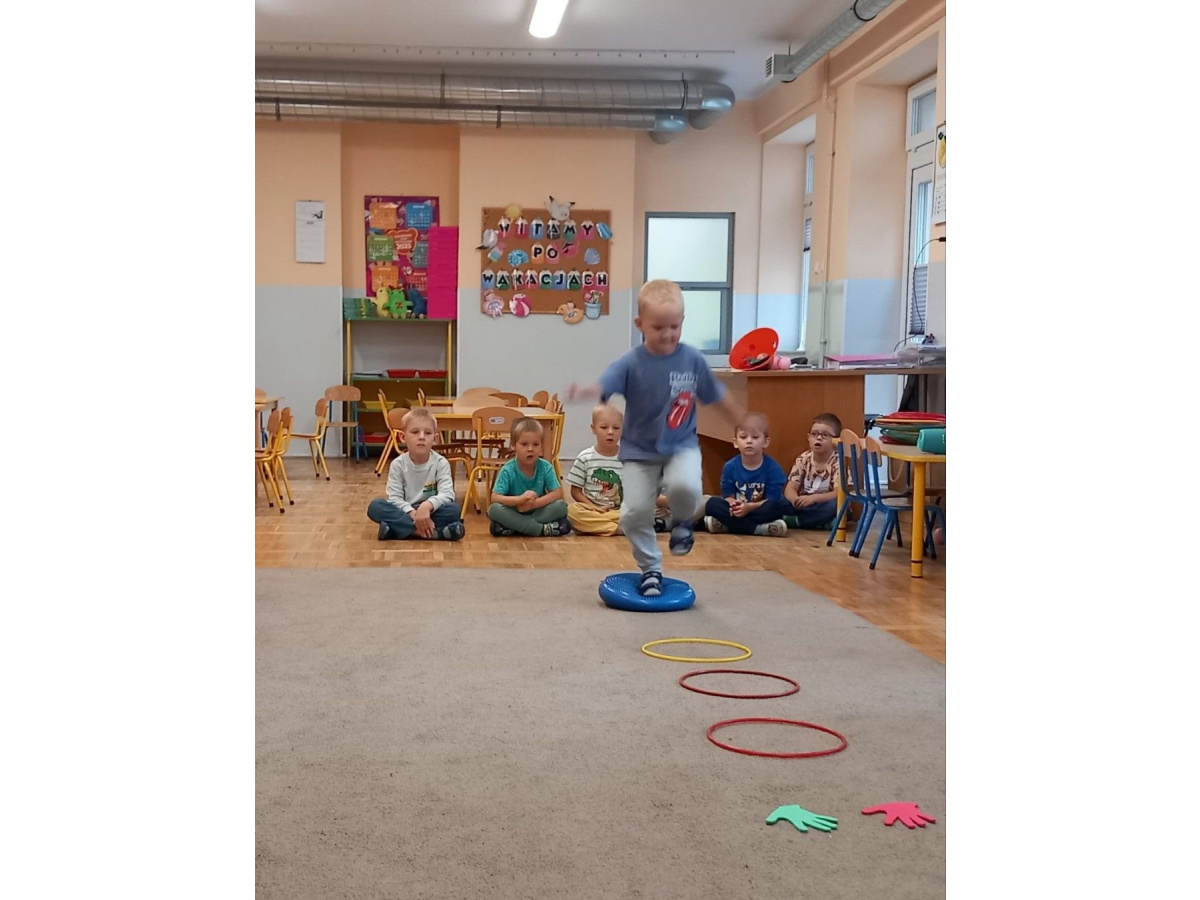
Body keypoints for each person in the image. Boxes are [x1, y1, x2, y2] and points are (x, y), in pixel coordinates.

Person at [567, 279, 742, 596]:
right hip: (639, 452)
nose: (668, 334)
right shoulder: (631, 362)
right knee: (633, 514)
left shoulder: (692, 360)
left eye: (674, 326)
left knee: (685, 486)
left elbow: (717, 394)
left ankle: (683, 522)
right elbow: (605, 385)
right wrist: (586, 390)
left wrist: (741, 420)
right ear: (640, 325)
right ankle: (651, 569)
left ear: (682, 321)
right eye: (658, 327)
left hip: (681, 447)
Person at [566, 403, 671, 536]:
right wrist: (596, 508)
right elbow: (575, 491)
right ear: (593, 429)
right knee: (572, 511)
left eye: (616, 428)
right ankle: (621, 528)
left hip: (622, 511)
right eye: (604, 427)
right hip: (595, 510)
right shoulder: (584, 457)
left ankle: (606, 526)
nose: (610, 432)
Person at [367, 407, 465, 540]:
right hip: (406, 511)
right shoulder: (398, 464)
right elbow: (395, 498)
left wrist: (426, 506)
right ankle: (431, 533)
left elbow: (447, 494)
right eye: (415, 432)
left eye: (428, 433)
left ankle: (396, 530)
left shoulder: (441, 463)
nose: (422, 437)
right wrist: (413, 513)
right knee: (376, 507)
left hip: (431, 511)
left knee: (453, 510)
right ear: (403, 437)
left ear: (435, 438)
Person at [702, 412, 791, 537]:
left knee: (776, 507)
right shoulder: (730, 466)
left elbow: (772, 499)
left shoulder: (773, 469)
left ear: (766, 442)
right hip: (738, 511)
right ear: (735, 442)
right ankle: (758, 529)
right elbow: (728, 496)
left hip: (758, 509)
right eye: (743, 437)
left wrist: (748, 507)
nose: (749, 441)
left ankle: (728, 525)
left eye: (755, 437)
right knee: (712, 504)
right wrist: (734, 505)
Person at [487, 417, 572, 537]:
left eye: (536, 444)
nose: (530, 449)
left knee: (561, 506)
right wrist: (519, 500)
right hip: (515, 510)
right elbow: (495, 497)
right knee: (494, 510)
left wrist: (534, 504)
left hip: (539, 509)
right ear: (513, 446)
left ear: (541, 448)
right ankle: (541, 529)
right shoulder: (508, 469)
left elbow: (557, 493)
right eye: (524, 444)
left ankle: (515, 527)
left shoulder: (545, 467)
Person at [783, 412, 842, 529]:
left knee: (836, 506)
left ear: (836, 441)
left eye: (825, 435)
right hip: (804, 504)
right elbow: (790, 487)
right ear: (808, 437)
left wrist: (813, 498)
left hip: (824, 503)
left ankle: (797, 521)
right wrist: (795, 500)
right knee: (777, 502)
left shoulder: (838, 462)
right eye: (814, 434)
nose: (818, 438)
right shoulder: (803, 459)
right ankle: (823, 522)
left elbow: (837, 493)